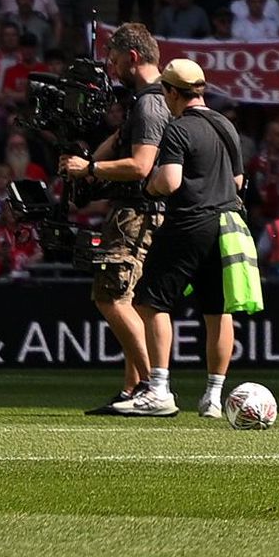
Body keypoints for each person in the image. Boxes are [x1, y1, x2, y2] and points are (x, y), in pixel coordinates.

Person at [57, 24, 175, 414]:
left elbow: (141, 166)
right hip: (139, 212)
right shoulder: (149, 100)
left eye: (114, 58)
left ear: (133, 57)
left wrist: (89, 167)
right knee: (132, 301)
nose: (111, 66)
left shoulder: (149, 103)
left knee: (109, 296)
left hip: (136, 214)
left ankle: (152, 387)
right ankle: (131, 389)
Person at [137, 57, 253, 417]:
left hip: (190, 222)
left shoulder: (179, 129)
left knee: (151, 301)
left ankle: (158, 388)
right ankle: (214, 398)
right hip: (229, 225)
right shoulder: (226, 126)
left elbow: (170, 181)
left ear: (172, 92)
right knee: (217, 312)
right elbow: (237, 183)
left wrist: (150, 184)